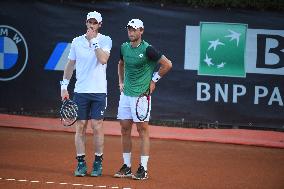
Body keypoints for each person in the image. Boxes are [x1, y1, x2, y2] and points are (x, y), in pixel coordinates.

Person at [114, 19, 172, 180]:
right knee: (124, 128)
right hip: (126, 95)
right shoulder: (124, 47)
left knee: (142, 130)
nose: (131, 32)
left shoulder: (148, 49)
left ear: (141, 31)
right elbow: (121, 63)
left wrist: (154, 81)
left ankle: (143, 168)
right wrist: (121, 81)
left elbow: (167, 64)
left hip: (141, 95)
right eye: (129, 29)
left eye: (134, 30)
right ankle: (126, 166)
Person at [60, 11, 112, 177]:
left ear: (100, 25)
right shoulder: (76, 41)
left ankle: (98, 163)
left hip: (98, 92)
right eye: (89, 22)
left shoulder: (105, 40)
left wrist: (94, 41)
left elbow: (103, 59)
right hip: (80, 91)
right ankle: (81, 163)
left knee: (97, 126)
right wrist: (64, 86)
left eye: (95, 23)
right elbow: (70, 65)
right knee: (80, 127)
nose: (91, 25)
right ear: (86, 23)